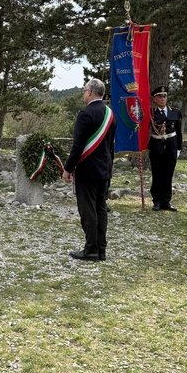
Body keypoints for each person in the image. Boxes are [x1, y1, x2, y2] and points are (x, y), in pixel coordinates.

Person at [62, 78, 116, 261]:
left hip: (87, 169)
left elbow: (78, 145)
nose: (83, 93)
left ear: (91, 92)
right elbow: (110, 146)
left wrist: (68, 168)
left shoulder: (85, 114)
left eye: (84, 90)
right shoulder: (110, 113)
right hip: (105, 169)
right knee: (101, 209)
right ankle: (101, 249)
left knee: (88, 210)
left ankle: (91, 249)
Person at [148, 85, 183, 211]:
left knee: (168, 175)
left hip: (171, 147)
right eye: (160, 97)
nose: (163, 99)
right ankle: (157, 201)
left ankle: (166, 202)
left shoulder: (175, 112)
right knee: (157, 174)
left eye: (164, 96)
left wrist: (179, 148)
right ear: (155, 99)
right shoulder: (151, 113)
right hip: (156, 147)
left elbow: (178, 131)